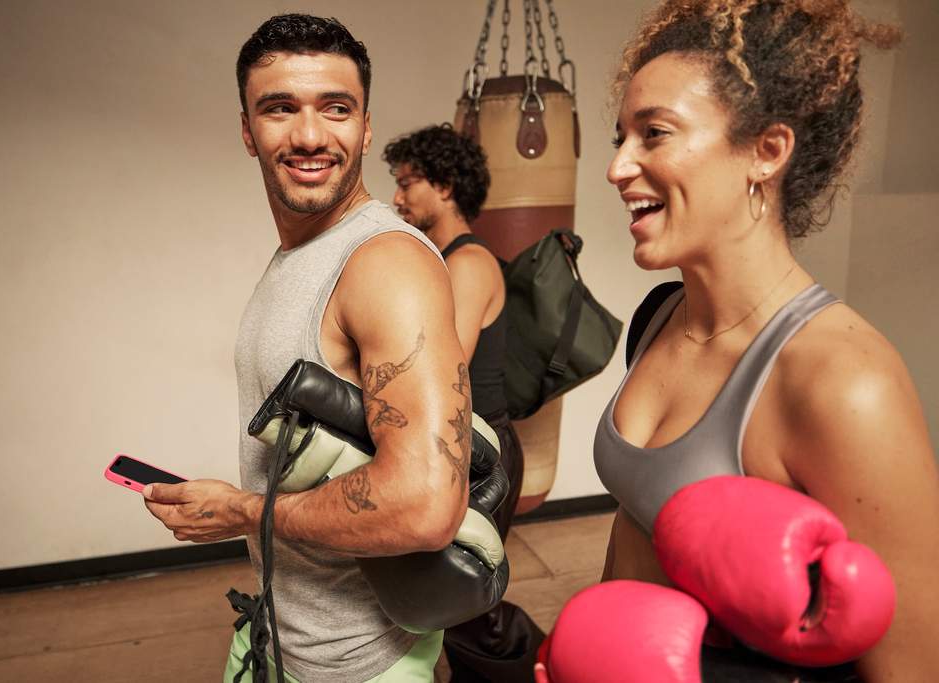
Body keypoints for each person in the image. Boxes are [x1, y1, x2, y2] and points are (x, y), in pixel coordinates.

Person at [591, 0, 939, 680]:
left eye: (653, 134)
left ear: (766, 151)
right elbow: (638, 520)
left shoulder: (844, 382)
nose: (617, 168)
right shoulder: (662, 316)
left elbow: (914, 668)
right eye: (619, 137)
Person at [140, 14, 473, 682]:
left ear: (366, 126)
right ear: (247, 130)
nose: (310, 134)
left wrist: (239, 511)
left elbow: (426, 502)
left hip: (357, 662)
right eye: (279, 108)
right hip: (277, 630)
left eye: (336, 108)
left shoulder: (385, 265)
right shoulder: (301, 253)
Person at [384, 124, 545, 682]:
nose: (397, 197)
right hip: (468, 446)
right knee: (456, 600)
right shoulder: (446, 259)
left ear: (446, 186)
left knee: (470, 605)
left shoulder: (469, 263)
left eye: (408, 183)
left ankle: (541, 665)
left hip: (488, 454)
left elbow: (438, 368)